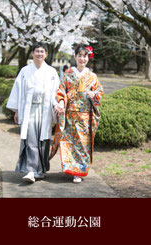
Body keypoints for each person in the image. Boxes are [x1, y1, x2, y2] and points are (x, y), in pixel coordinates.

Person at [6, 42, 60, 183]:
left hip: (45, 109)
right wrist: (17, 110)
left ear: (46, 54)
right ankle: (30, 170)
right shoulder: (25, 71)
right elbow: (18, 92)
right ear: (32, 53)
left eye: (42, 51)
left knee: (43, 140)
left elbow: (57, 92)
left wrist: (58, 105)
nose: (39, 54)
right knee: (30, 139)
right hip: (30, 109)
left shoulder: (52, 72)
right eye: (37, 51)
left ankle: (40, 170)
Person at [51, 44, 103, 183]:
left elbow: (99, 91)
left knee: (83, 144)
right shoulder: (67, 73)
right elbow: (61, 90)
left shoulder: (92, 76)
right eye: (79, 56)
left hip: (85, 115)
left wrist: (94, 94)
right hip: (70, 114)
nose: (82, 59)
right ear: (75, 57)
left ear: (88, 58)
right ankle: (71, 168)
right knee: (69, 142)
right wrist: (61, 102)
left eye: (84, 56)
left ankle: (79, 171)